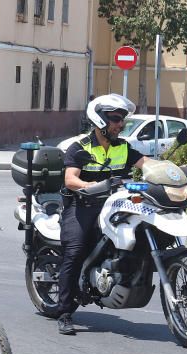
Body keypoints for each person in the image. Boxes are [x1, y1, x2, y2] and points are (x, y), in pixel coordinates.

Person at [55, 94, 147, 335]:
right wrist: (91, 186)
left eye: (122, 120)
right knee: (75, 251)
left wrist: (171, 171)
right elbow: (70, 179)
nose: (120, 124)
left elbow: (146, 164)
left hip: (115, 206)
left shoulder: (123, 148)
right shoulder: (80, 147)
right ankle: (64, 312)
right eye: (115, 119)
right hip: (82, 207)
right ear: (100, 120)